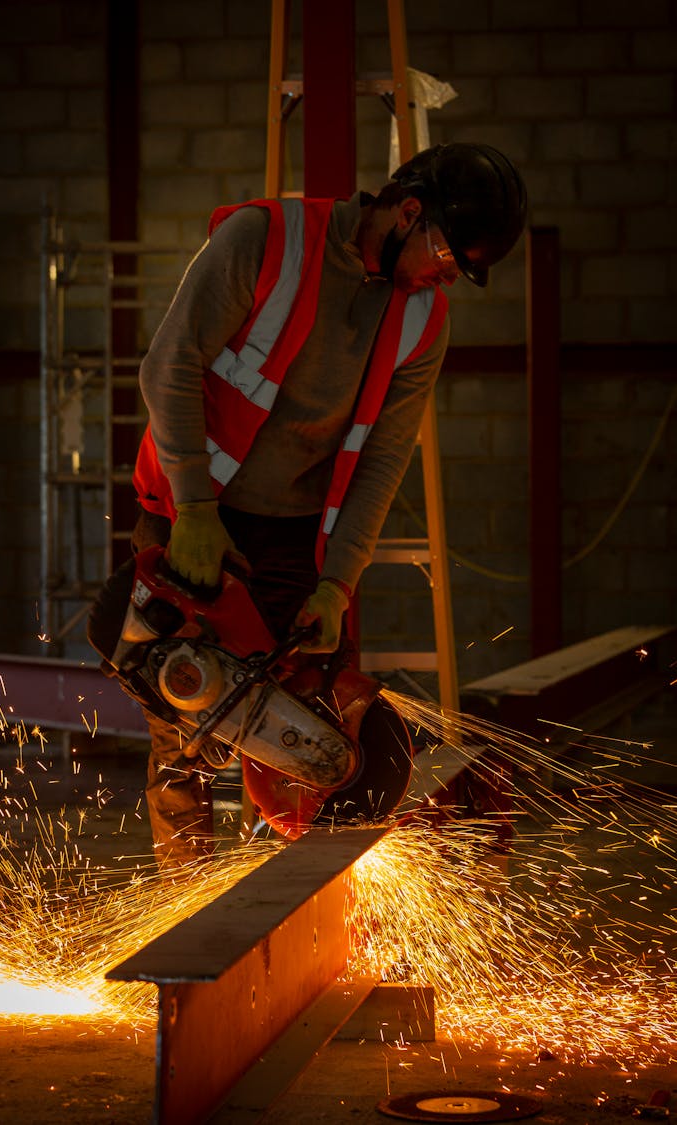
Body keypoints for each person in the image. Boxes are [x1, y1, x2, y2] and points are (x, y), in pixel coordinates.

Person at [130, 141, 527, 870]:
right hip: (193, 519)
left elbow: (383, 462)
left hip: (297, 542)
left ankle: (292, 922)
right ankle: (177, 932)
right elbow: (168, 368)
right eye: (443, 253)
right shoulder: (265, 242)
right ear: (408, 211)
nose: (441, 275)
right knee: (186, 721)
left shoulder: (423, 321)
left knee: (311, 735)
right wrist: (192, 508)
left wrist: (338, 583)